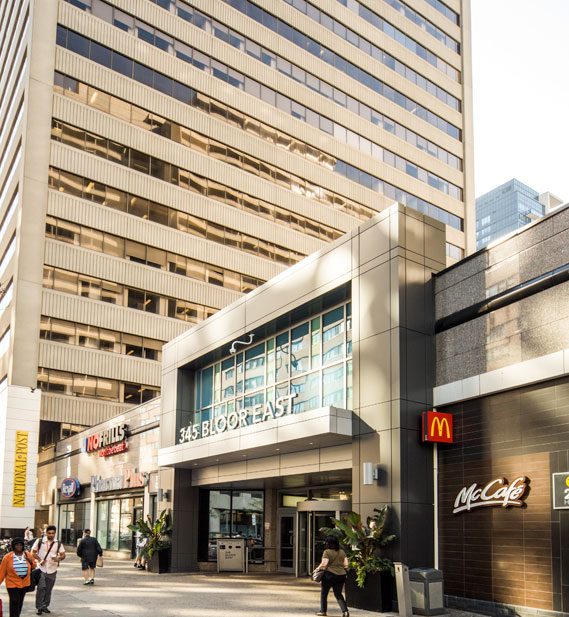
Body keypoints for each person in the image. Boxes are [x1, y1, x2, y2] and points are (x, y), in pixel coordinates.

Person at [31, 524, 66, 615]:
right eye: (49, 533)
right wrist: (39, 559)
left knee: (48, 589)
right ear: (46, 533)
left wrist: (59, 558)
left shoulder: (58, 543)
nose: (51, 535)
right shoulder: (39, 541)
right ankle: (39, 607)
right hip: (41, 568)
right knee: (41, 588)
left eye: (53, 533)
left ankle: (45, 606)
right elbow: (33, 552)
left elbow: (63, 554)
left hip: (52, 569)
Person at [0, 537, 37, 617]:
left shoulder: (27, 554)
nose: (18, 547)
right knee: (14, 601)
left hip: (24, 583)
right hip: (12, 583)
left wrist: (30, 560)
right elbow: (2, 572)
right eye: (16, 545)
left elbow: (34, 565)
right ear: (13, 546)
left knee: (20, 602)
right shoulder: (7, 557)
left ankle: (17, 615)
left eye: (20, 545)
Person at [314, 535, 349, 617]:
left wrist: (316, 569)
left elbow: (324, 564)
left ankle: (323, 611)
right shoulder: (342, 552)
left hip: (329, 575)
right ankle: (345, 611)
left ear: (328, 543)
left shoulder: (327, 552)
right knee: (338, 594)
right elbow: (346, 564)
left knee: (324, 593)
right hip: (341, 575)